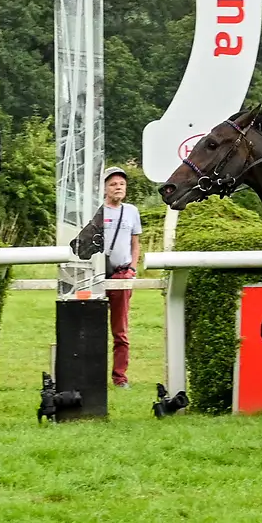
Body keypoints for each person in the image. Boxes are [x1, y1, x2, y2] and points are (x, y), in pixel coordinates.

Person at [98, 165, 143, 388]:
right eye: (113, 184)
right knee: (92, 325)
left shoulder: (131, 212)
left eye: (122, 184)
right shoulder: (96, 210)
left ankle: (120, 377)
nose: (118, 187)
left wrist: (133, 269)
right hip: (96, 274)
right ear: (105, 188)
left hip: (122, 274)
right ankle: (92, 375)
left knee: (120, 330)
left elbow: (136, 244)